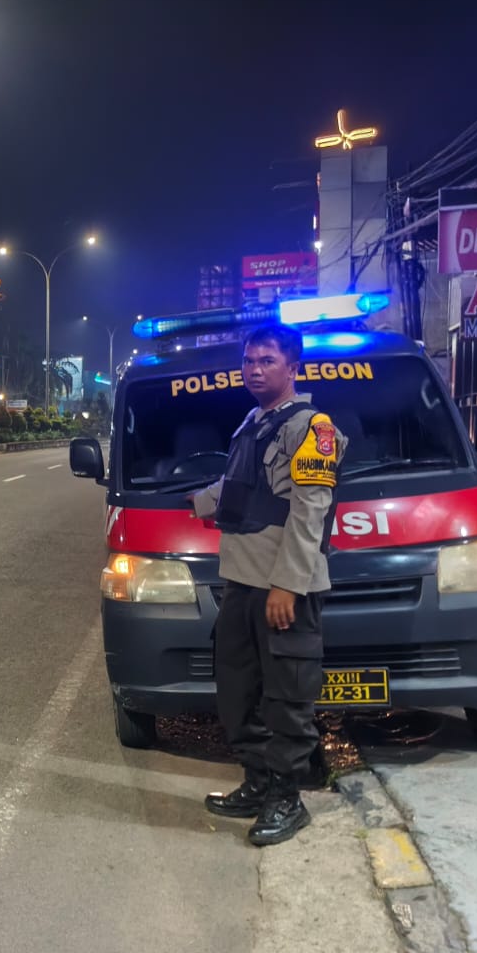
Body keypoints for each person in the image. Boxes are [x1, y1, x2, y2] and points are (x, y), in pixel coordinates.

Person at [188, 323, 347, 847]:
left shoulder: (312, 428)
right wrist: (199, 502)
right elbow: (239, 485)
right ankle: (258, 783)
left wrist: (288, 586)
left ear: (292, 367)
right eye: (249, 360)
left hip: (281, 588)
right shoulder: (254, 422)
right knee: (238, 691)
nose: (254, 370)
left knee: (286, 697)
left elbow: (309, 512)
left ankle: (287, 797)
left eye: (267, 361)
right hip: (241, 581)